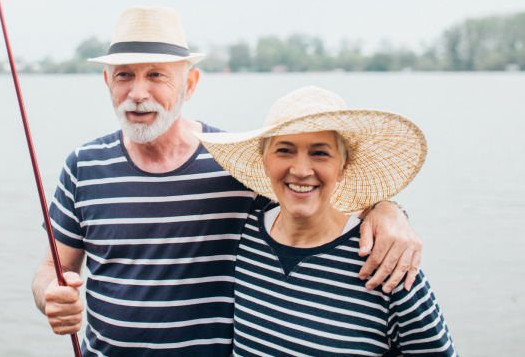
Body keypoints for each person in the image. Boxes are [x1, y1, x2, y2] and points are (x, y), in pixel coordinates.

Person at [31, 6, 424, 356]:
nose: (137, 93)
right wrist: (49, 293)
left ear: (190, 83)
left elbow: (316, 195)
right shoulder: (82, 166)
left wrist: (389, 211)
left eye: (156, 75)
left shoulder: (233, 166)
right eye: (124, 76)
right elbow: (53, 267)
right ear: (106, 82)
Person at [194, 85, 455, 356]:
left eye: (320, 153)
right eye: (284, 150)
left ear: (343, 167)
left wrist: (389, 209)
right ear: (264, 161)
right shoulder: (244, 234)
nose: (301, 170)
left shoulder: (386, 260)